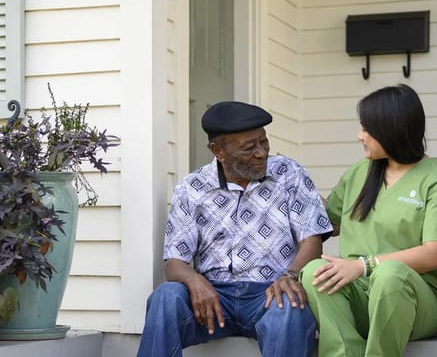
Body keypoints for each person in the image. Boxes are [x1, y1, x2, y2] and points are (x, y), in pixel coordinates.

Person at [137, 101, 333, 357]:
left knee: (289, 308)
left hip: (270, 293)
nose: (261, 152)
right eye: (249, 147)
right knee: (166, 297)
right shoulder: (192, 187)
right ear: (218, 151)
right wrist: (194, 280)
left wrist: (290, 276)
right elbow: (174, 262)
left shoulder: (290, 175)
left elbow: (311, 240)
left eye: (264, 142)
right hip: (213, 297)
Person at [301, 84, 437, 357]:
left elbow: (434, 254)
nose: (359, 136)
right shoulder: (359, 172)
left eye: (367, 129)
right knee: (314, 273)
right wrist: (295, 183)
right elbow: (328, 222)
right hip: (362, 296)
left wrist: (364, 266)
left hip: (415, 299)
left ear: (392, 129)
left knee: (390, 275)